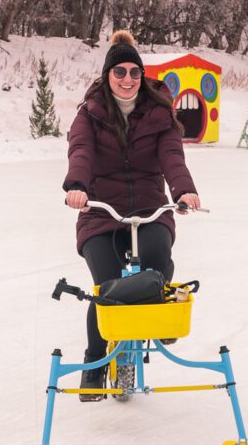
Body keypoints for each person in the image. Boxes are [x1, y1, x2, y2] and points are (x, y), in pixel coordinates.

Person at [62, 30, 201, 401]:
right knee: (106, 285)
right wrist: (77, 185)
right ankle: (94, 364)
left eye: (134, 73)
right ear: (108, 76)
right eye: (119, 72)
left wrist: (183, 190)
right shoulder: (89, 114)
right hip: (100, 210)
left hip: (149, 206)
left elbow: (172, 156)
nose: (127, 80)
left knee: (158, 256)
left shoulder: (159, 113)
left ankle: (158, 309)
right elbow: (81, 152)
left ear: (142, 76)